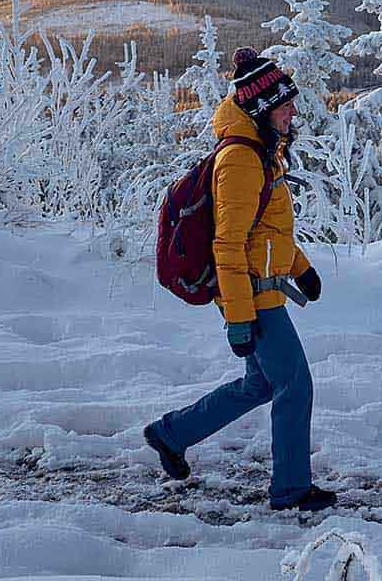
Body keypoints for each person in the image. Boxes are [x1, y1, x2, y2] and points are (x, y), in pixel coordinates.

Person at [143, 48, 333, 512]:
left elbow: (265, 232)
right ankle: (291, 490)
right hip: (252, 295)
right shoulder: (242, 160)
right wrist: (240, 318)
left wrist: (300, 269)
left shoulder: (260, 152)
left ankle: (171, 434)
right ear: (261, 110)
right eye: (285, 105)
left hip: (262, 287)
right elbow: (227, 245)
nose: (293, 112)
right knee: (295, 386)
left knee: (261, 385)